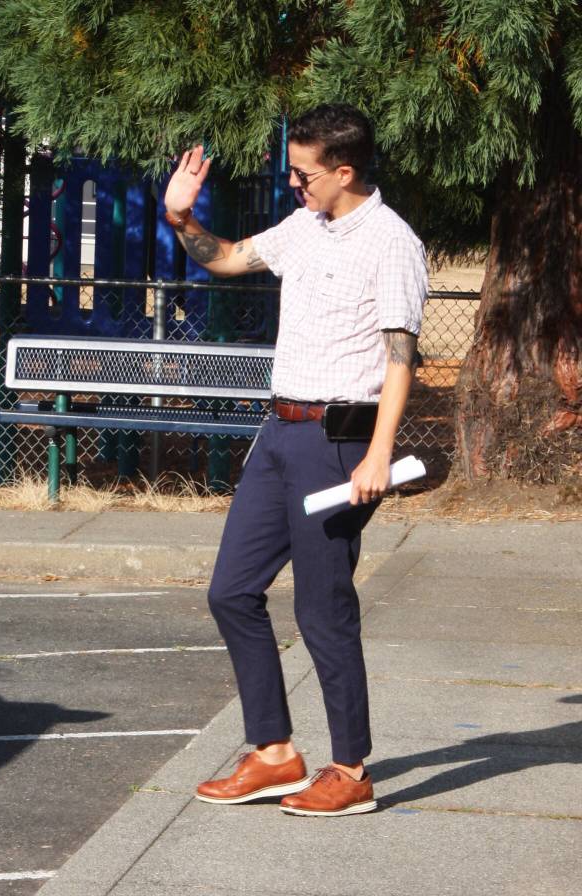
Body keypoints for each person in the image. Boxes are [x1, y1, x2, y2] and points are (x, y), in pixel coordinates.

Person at [162, 104, 427, 816]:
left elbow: (401, 357)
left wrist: (379, 454)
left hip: (338, 443)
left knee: (322, 609)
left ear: (345, 171)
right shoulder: (304, 226)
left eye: (304, 173)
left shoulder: (393, 242)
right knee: (231, 591)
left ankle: (351, 769)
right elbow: (226, 258)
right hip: (278, 433)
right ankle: (275, 754)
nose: (292, 182)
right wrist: (181, 217)